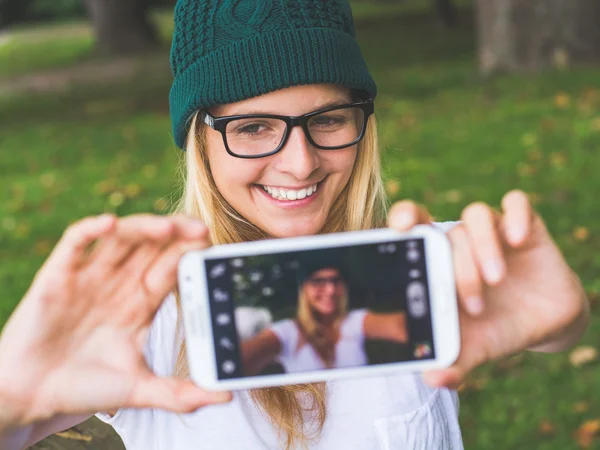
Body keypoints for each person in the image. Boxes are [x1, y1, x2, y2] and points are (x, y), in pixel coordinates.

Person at [0, 1, 589, 449]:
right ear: (200, 140)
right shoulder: (149, 311)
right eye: (254, 127)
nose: (300, 162)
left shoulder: (427, 270)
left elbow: (545, 321)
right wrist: (15, 392)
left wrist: (563, 323)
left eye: (329, 119)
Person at [240, 260, 408, 376]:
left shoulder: (354, 321)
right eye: (318, 281)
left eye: (336, 281)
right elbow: (252, 353)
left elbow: (398, 326)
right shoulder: (288, 331)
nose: (330, 290)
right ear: (303, 290)